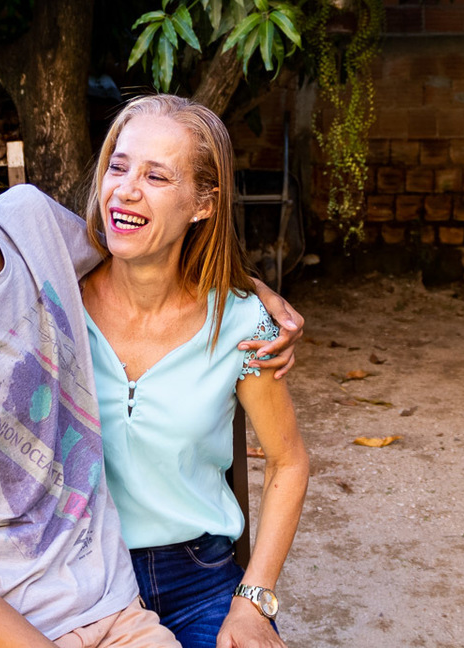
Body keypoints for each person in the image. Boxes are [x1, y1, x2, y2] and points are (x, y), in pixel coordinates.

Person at [0, 87, 305, 648]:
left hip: (121, 586)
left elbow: (142, 249)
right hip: (7, 607)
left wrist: (248, 293)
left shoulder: (34, 232)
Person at [80, 95, 309, 648]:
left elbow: (288, 462)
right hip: (79, 579)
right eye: (118, 165)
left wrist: (254, 601)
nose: (126, 188)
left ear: (203, 202)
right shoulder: (55, 300)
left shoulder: (242, 322)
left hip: (199, 579)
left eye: (157, 175)